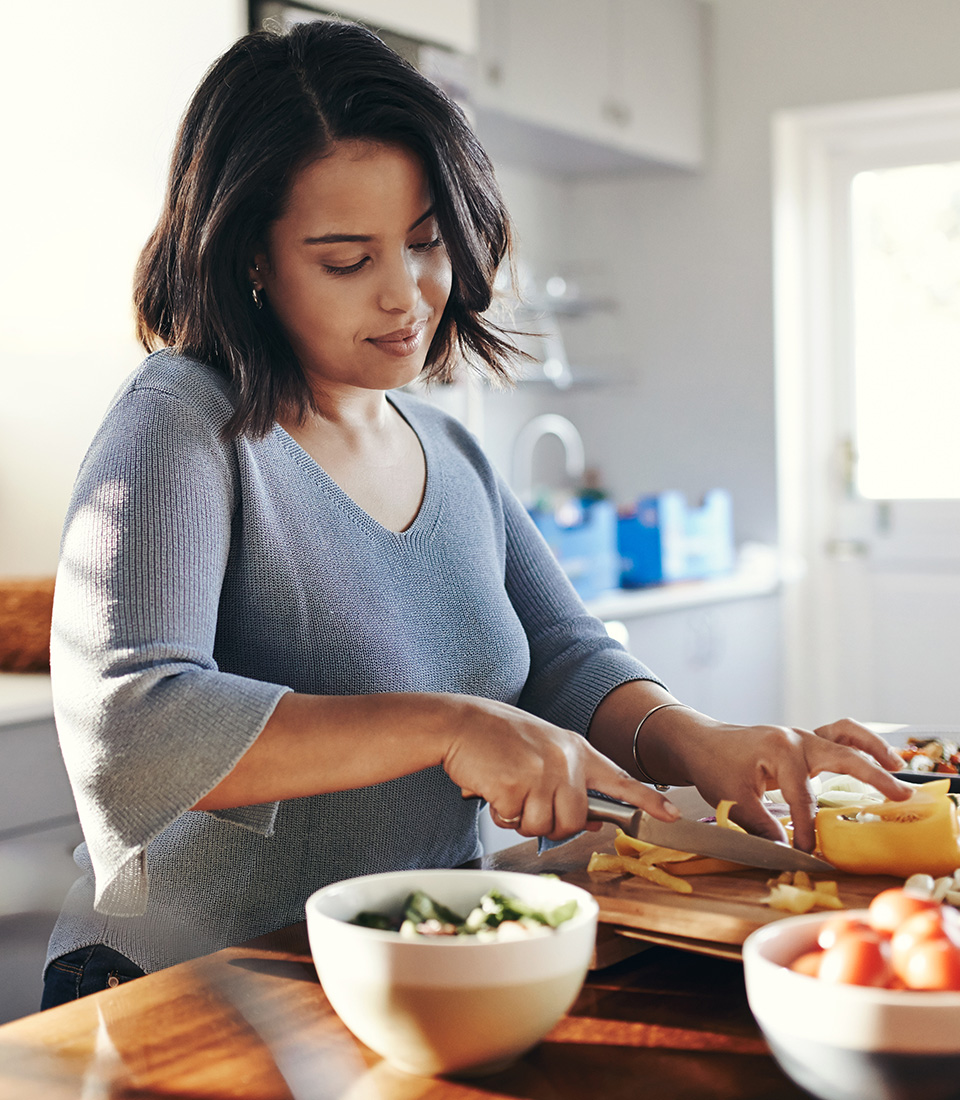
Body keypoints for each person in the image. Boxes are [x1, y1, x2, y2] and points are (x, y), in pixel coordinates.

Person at [41, 19, 911, 1008]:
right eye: (344, 259)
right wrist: (448, 724)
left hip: (399, 975)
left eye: (425, 242)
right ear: (250, 257)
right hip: (189, 985)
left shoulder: (445, 447)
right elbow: (128, 722)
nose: (407, 295)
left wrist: (699, 742)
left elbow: (565, 657)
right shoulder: (180, 422)